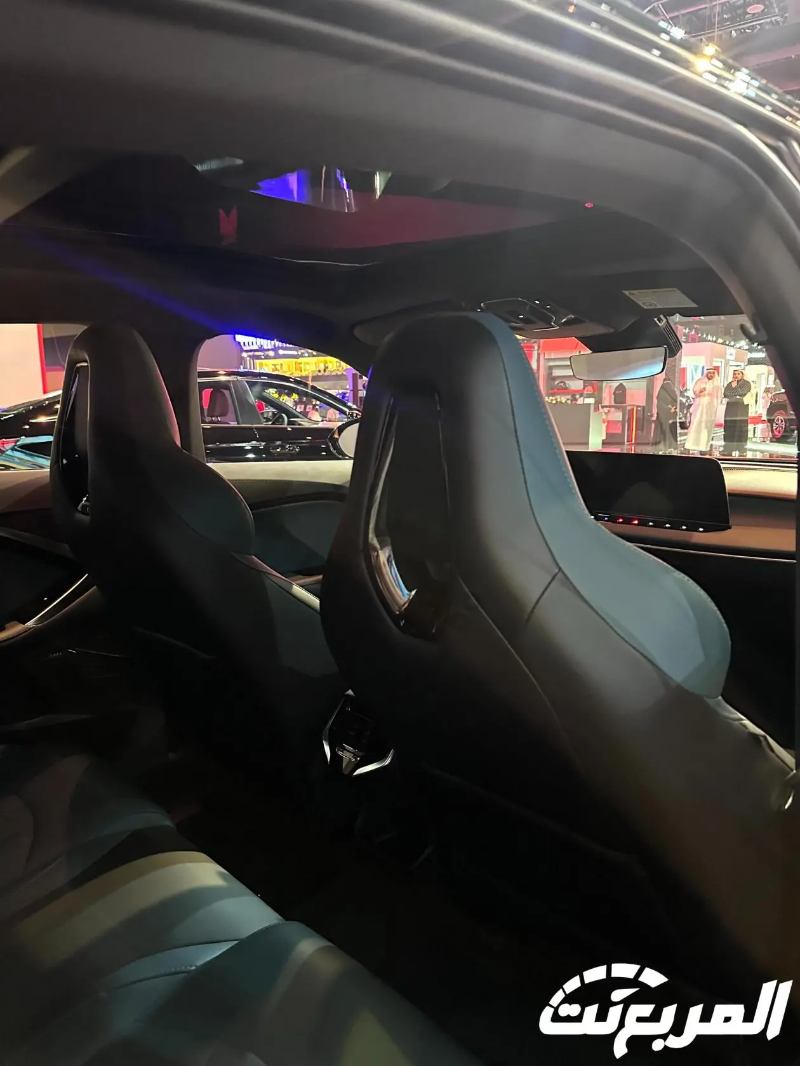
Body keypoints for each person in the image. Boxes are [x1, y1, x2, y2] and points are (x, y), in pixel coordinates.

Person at [684, 367, 721, 454]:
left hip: (710, 409)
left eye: (713, 373)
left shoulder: (717, 384)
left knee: (707, 427)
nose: (711, 375)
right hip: (699, 408)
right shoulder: (700, 381)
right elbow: (695, 392)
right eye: (710, 373)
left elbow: (719, 397)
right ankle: (692, 445)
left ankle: (705, 447)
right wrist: (700, 391)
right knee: (696, 425)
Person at [722, 369, 751, 456]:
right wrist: (735, 395)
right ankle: (728, 449)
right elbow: (726, 393)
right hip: (730, 409)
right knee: (729, 429)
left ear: (742, 375)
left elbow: (742, 392)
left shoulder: (746, 384)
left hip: (741, 409)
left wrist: (735, 388)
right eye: (735, 374)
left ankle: (742, 450)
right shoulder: (730, 384)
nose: (736, 376)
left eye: (738, 374)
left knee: (741, 429)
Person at [651, 376, 678, 452]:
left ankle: (666, 447)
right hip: (667, 417)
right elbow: (674, 402)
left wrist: (672, 408)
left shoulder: (661, 392)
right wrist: (672, 409)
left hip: (665, 418)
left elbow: (674, 402)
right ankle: (668, 446)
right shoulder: (670, 390)